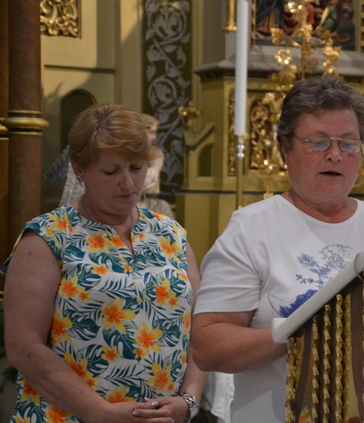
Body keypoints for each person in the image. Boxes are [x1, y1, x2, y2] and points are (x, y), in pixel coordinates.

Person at [191, 75, 364, 423]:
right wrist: (300, 335)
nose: (335, 155)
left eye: (348, 143)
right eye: (317, 142)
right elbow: (208, 346)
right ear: (285, 147)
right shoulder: (252, 229)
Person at [1, 104, 208, 423]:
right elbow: (23, 346)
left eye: (137, 167)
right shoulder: (48, 237)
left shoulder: (170, 234)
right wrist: (98, 412)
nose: (128, 183)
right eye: (111, 172)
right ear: (79, 169)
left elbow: (202, 328)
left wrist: (188, 400)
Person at [138, 114, 174, 218]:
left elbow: (150, 184)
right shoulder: (126, 154)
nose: (154, 137)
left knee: (164, 207)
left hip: (147, 200)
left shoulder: (156, 154)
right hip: (128, 201)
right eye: (152, 132)